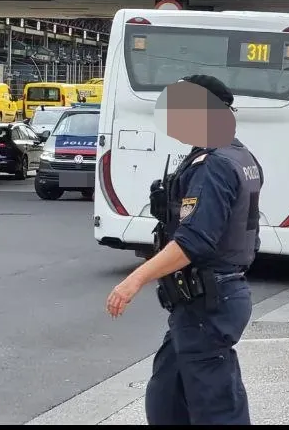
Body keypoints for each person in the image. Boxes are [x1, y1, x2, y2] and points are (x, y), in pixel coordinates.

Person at [105, 74, 263, 425]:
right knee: (167, 395)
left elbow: (194, 241)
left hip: (209, 301)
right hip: (205, 300)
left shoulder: (215, 165)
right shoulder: (236, 155)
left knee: (216, 409)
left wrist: (133, 281)